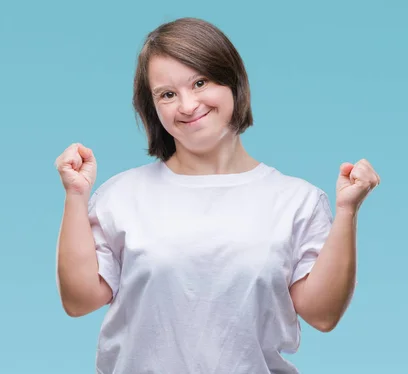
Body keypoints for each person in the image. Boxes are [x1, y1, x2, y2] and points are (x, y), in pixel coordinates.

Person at [54, 17, 380, 374]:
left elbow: (322, 314)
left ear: (233, 82)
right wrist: (75, 195)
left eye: (200, 82)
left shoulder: (296, 200)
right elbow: (79, 300)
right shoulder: (121, 195)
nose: (187, 105)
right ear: (153, 108)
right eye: (167, 94)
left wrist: (347, 211)